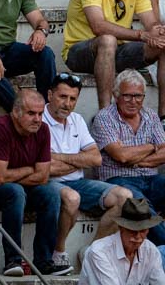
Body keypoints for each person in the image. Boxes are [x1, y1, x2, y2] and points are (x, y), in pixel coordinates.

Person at [0, 89, 71, 277]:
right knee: (15, 192)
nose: (37, 119)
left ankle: (43, 262)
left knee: (50, 193)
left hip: (11, 184)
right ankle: (13, 261)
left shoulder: (43, 130)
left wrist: (9, 174)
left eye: (40, 114)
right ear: (16, 113)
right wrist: (28, 169)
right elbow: (1, 178)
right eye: (31, 113)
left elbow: (42, 176)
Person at [64, 0, 165, 115]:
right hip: (79, 52)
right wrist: (141, 35)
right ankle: (106, 115)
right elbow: (98, 26)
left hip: (118, 50)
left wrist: (158, 31)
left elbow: (151, 22)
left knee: (163, 43)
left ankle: (163, 116)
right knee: (107, 39)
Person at [44, 74, 134, 259]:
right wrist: (78, 161)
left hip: (78, 182)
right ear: (50, 95)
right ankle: (58, 252)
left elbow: (95, 159)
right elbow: (46, 167)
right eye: (62, 97)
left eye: (72, 99)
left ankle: (93, 252)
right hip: (48, 182)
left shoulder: (76, 119)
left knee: (125, 197)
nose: (67, 104)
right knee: (72, 198)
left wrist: (59, 158)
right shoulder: (39, 120)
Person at [91, 70, 165, 247]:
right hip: (119, 180)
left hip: (151, 178)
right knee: (138, 204)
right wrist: (151, 147)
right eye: (128, 96)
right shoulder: (104, 118)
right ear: (116, 95)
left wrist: (138, 160)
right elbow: (121, 156)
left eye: (138, 96)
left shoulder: (151, 116)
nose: (133, 101)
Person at [78, 198, 165, 285]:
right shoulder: (99, 251)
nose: (138, 237)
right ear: (121, 228)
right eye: (133, 231)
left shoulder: (151, 251)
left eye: (143, 231)